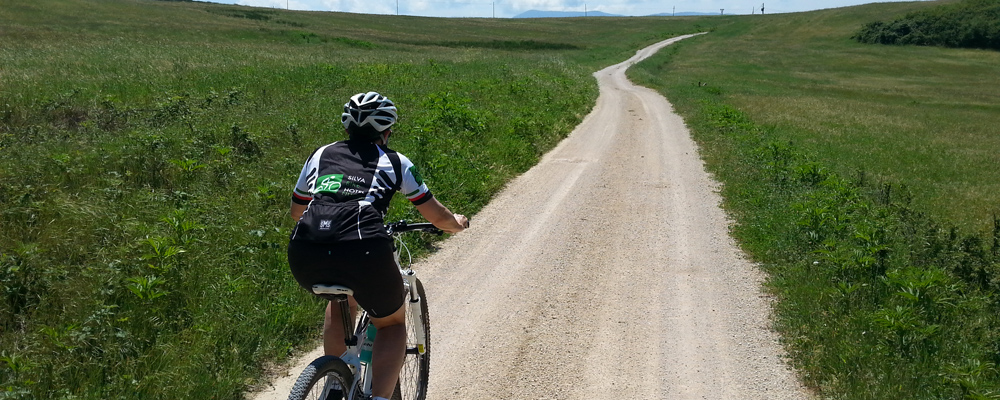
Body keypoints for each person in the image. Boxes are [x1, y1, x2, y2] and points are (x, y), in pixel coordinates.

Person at [287, 92, 468, 400]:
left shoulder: (319, 154)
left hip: (305, 249)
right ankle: (381, 397)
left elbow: (296, 211)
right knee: (392, 324)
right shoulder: (396, 162)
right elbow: (436, 215)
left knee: (340, 298)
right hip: (364, 248)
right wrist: (456, 223)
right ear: (387, 131)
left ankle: (335, 380)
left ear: (346, 128)